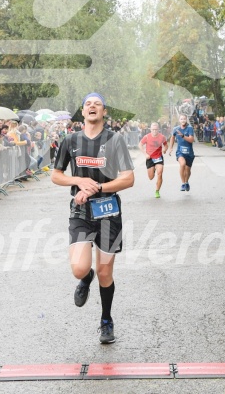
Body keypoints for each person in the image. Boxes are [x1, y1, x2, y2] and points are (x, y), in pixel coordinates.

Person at [51, 93, 134, 345]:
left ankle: (106, 320)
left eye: (97, 104)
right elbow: (56, 175)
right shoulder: (70, 140)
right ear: (83, 112)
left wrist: (97, 187)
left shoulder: (115, 140)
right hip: (81, 212)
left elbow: (128, 179)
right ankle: (85, 278)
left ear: (104, 111)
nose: (92, 107)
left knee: (105, 271)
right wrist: (78, 181)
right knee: (79, 268)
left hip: (109, 212)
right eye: (88, 104)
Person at [138, 122, 168, 198]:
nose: (154, 131)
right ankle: (153, 169)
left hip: (158, 158)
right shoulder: (147, 137)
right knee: (151, 177)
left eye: (156, 129)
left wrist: (164, 150)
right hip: (150, 158)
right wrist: (145, 154)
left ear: (158, 129)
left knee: (160, 173)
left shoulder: (162, 137)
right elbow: (140, 144)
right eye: (153, 129)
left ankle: (157, 191)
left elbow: (166, 145)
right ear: (150, 129)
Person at [168, 114, 195, 192]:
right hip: (180, 152)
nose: (183, 120)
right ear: (179, 120)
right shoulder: (176, 129)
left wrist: (183, 136)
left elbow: (191, 140)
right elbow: (172, 137)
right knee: (182, 164)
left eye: (184, 119)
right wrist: (171, 148)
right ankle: (183, 183)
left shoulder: (189, 128)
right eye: (181, 119)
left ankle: (186, 182)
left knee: (188, 170)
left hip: (189, 153)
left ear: (186, 120)